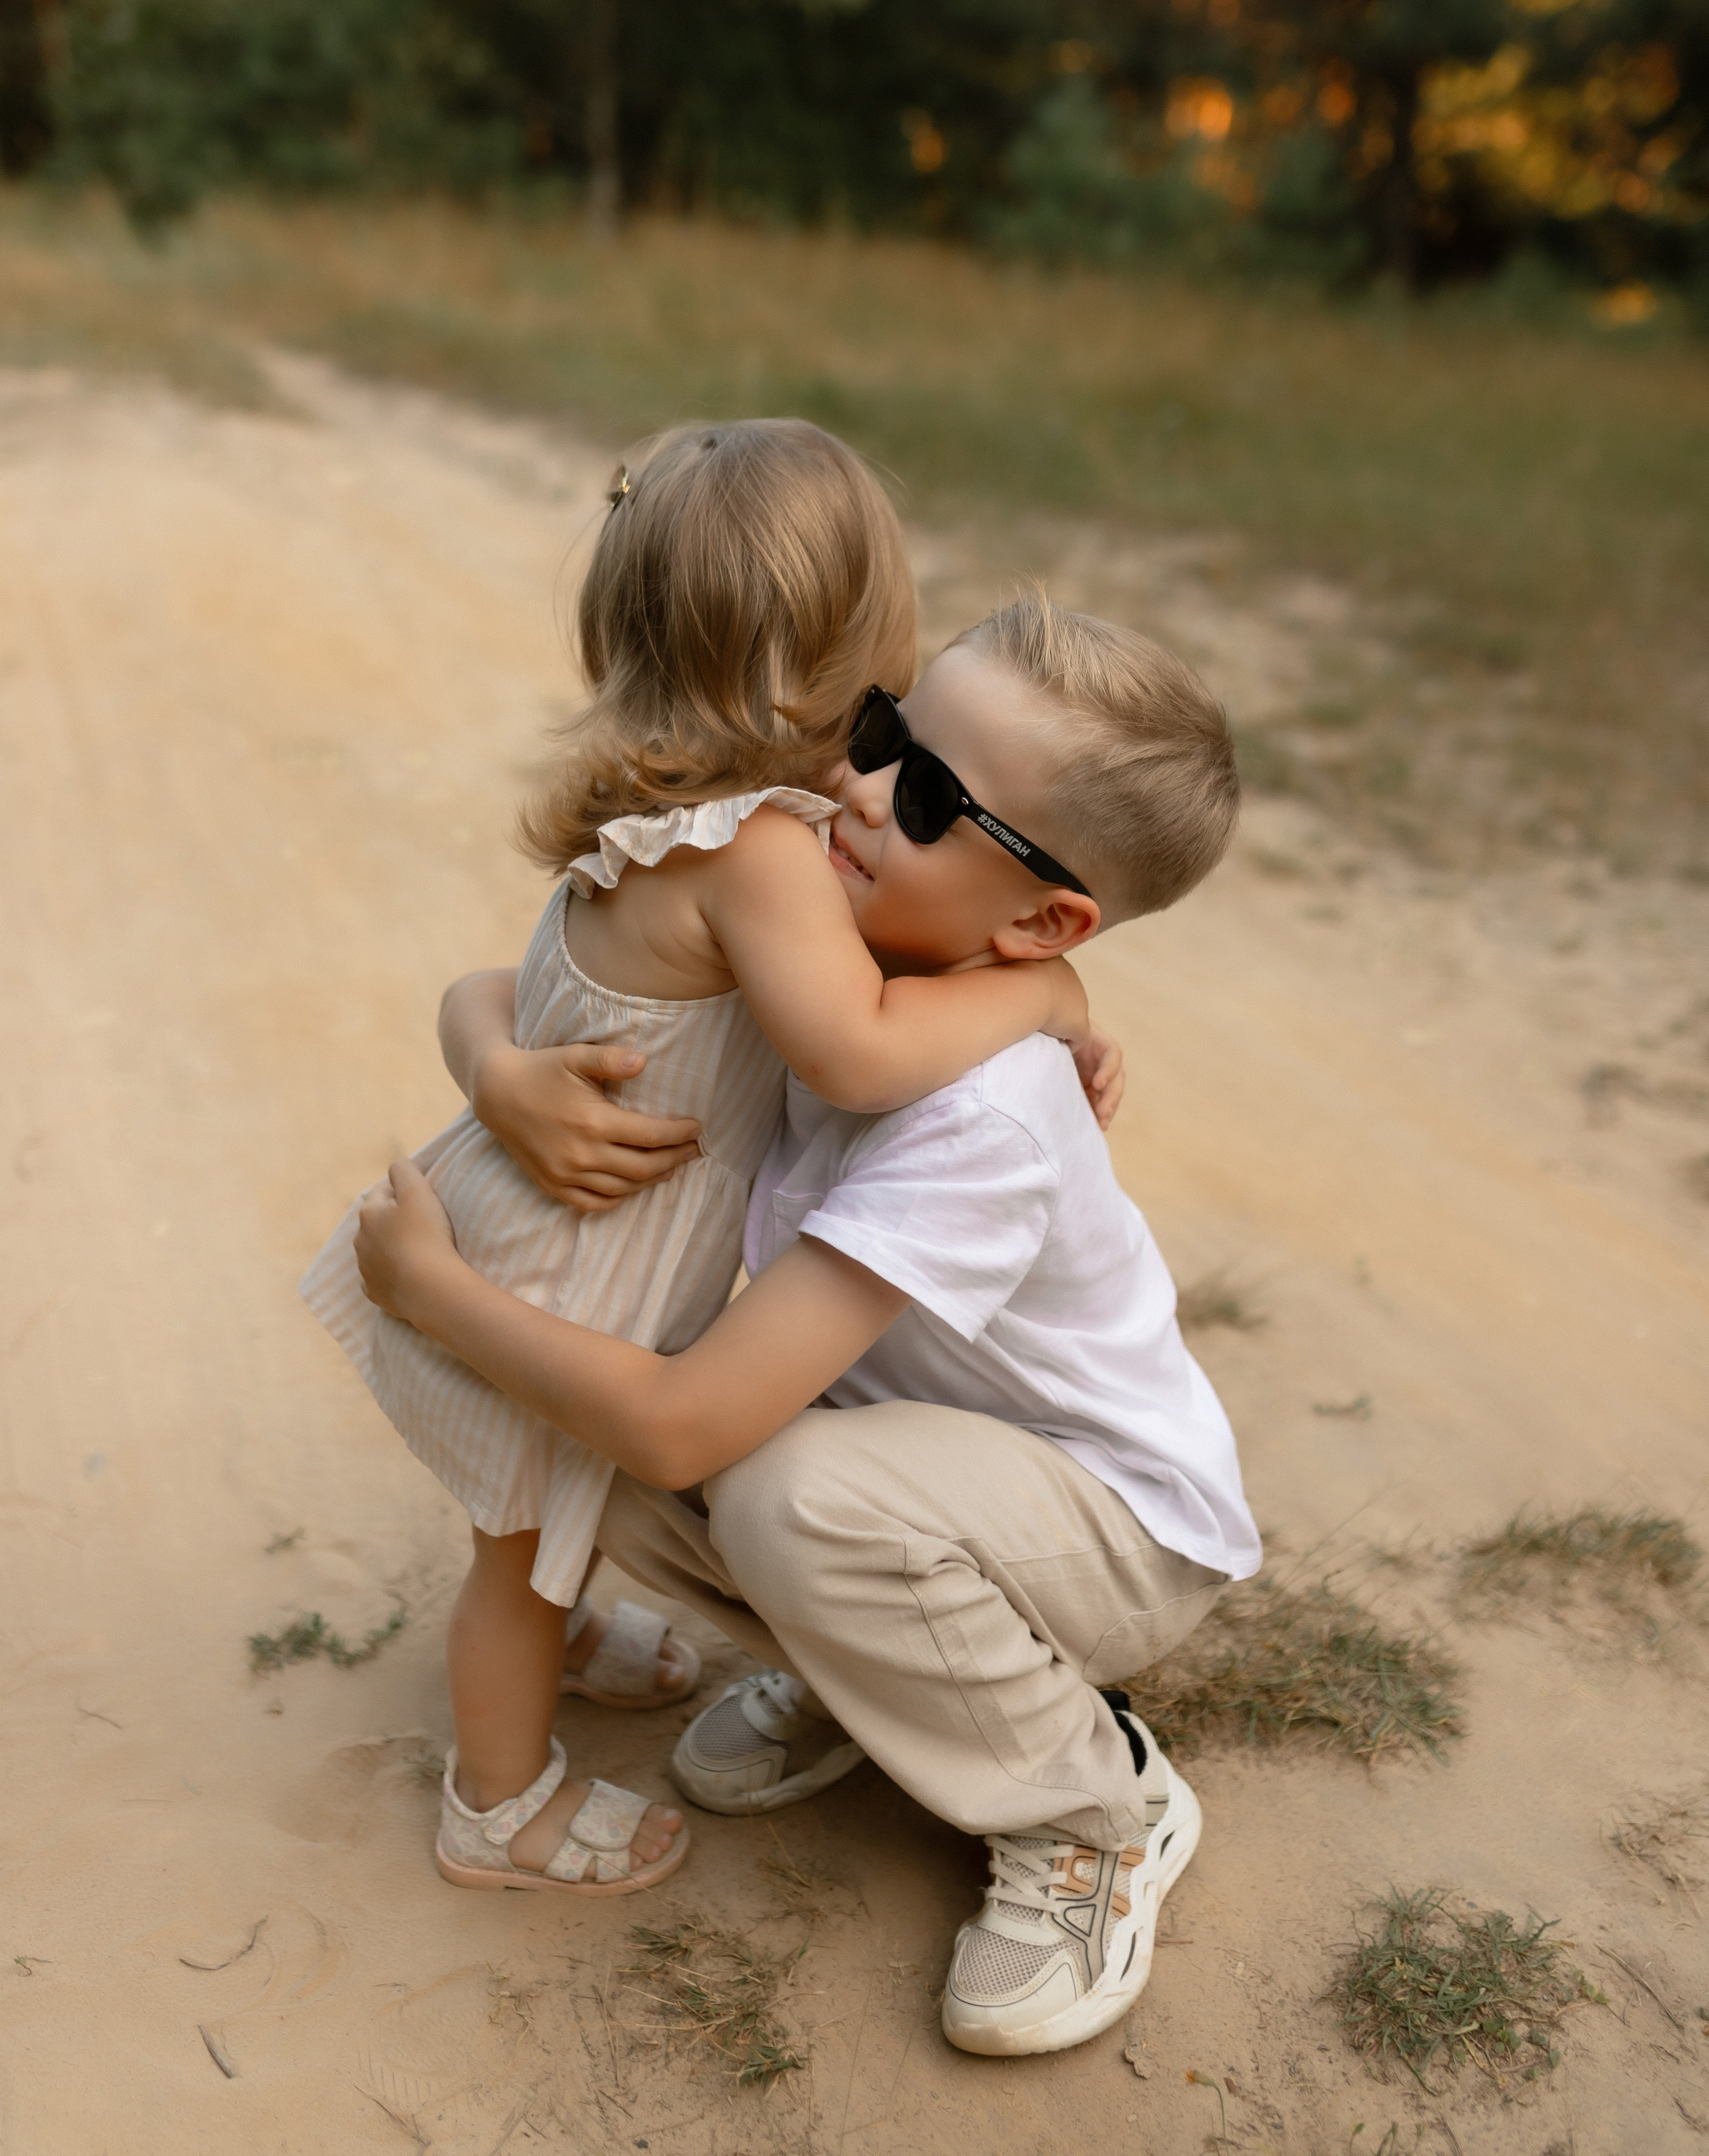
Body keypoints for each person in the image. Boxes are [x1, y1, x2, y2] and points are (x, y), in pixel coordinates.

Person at [356, 591, 1260, 2057]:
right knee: (599, 1400)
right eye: (879, 727)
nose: (850, 783)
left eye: (922, 791)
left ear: (1040, 917)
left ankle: (1092, 1809)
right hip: (918, 1458)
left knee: (758, 1474)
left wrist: (441, 1296)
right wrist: (496, 1068)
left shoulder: (984, 1116)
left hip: (1116, 1531)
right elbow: (531, 980)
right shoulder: (825, 958)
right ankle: (884, 1674)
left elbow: (688, 1423)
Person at [302, 421, 1105, 1902]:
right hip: (567, 1265)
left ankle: (573, 1638)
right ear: (847, 652)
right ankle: (501, 1807)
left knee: (539, 1528)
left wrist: (486, 1062)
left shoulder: (655, 811)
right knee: (518, 1554)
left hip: (535, 1216)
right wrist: (1045, 994)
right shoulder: (762, 859)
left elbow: (507, 985)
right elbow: (858, 1048)